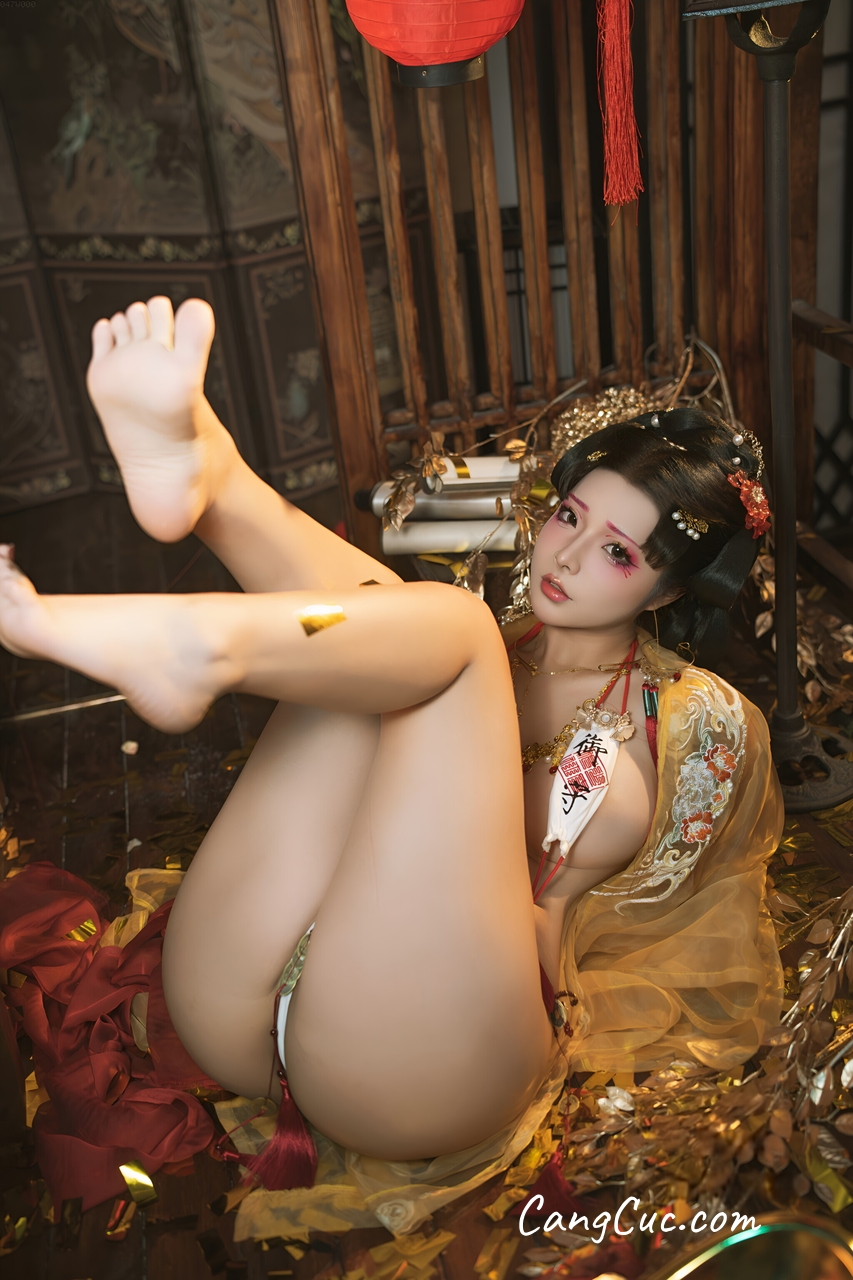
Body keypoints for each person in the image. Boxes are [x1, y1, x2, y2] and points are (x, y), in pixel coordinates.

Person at [0, 298, 782, 1230]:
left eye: (615, 551)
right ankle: (210, 481)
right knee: (400, 623)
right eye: (568, 516)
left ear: (667, 589)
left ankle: (203, 609)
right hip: (231, 1001)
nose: (566, 556)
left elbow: (694, 922)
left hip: (433, 1061)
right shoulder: (472, 649)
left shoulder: (687, 719)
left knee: (441, 628)